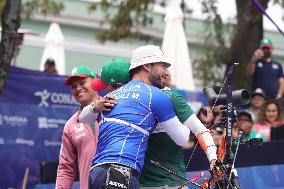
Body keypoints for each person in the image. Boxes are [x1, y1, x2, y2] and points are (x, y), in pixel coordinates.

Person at [80, 45, 217, 189]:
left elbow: (82, 118)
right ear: (146, 66)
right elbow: (183, 138)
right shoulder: (156, 96)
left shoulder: (113, 97)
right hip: (128, 175)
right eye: (163, 66)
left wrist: (213, 158)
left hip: (161, 182)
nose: (167, 72)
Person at [56, 66, 114, 189]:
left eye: (82, 83)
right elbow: (66, 168)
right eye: (73, 86)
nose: (78, 88)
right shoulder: (71, 125)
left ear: (95, 82)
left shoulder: (114, 108)